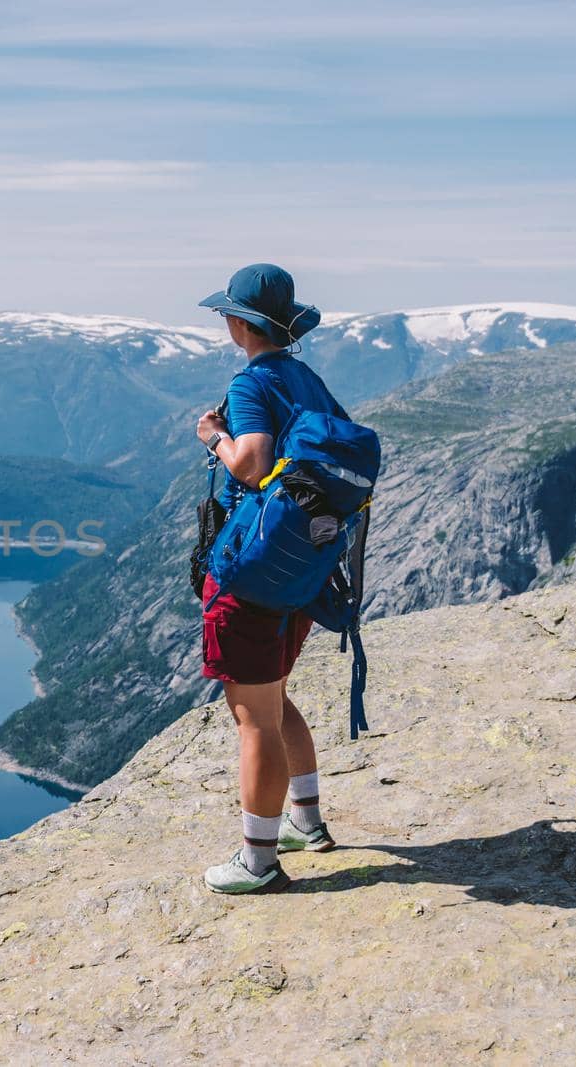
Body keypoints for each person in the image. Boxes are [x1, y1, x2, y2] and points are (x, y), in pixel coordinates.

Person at [193, 263, 348, 895]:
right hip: (302, 566)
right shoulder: (306, 378)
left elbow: (253, 466)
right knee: (274, 697)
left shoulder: (252, 381)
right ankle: (305, 823)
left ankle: (258, 862)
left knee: (253, 716)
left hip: (252, 568)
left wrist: (214, 438)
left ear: (239, 323)